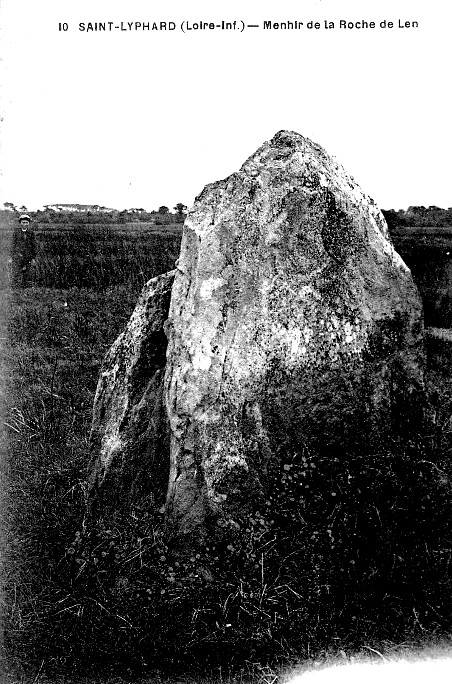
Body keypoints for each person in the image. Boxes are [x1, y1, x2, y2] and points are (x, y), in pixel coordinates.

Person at [11, 214, 37, 288]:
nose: (25, 224)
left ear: (28, 223)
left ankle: (25, 288)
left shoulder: (31, 233)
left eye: (26, 222)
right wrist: (11, 257)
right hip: (17, 256)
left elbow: (34, 246)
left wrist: (33, 258)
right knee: (16, 272)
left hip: (28, 256)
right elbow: (13, 244)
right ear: (20, 223)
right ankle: (15, 288)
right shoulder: (16, 232)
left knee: (27, 273)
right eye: (23, 222)